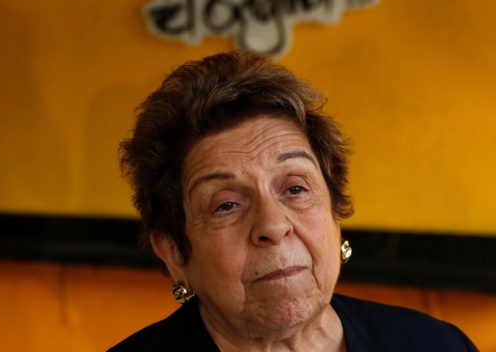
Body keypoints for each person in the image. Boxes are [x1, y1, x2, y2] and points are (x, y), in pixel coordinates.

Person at [110, 51, 478, 351]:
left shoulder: (436, 344)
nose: (273, 225)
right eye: (226, 205)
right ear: (174, 251)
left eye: (295, 189)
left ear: (335, 213)